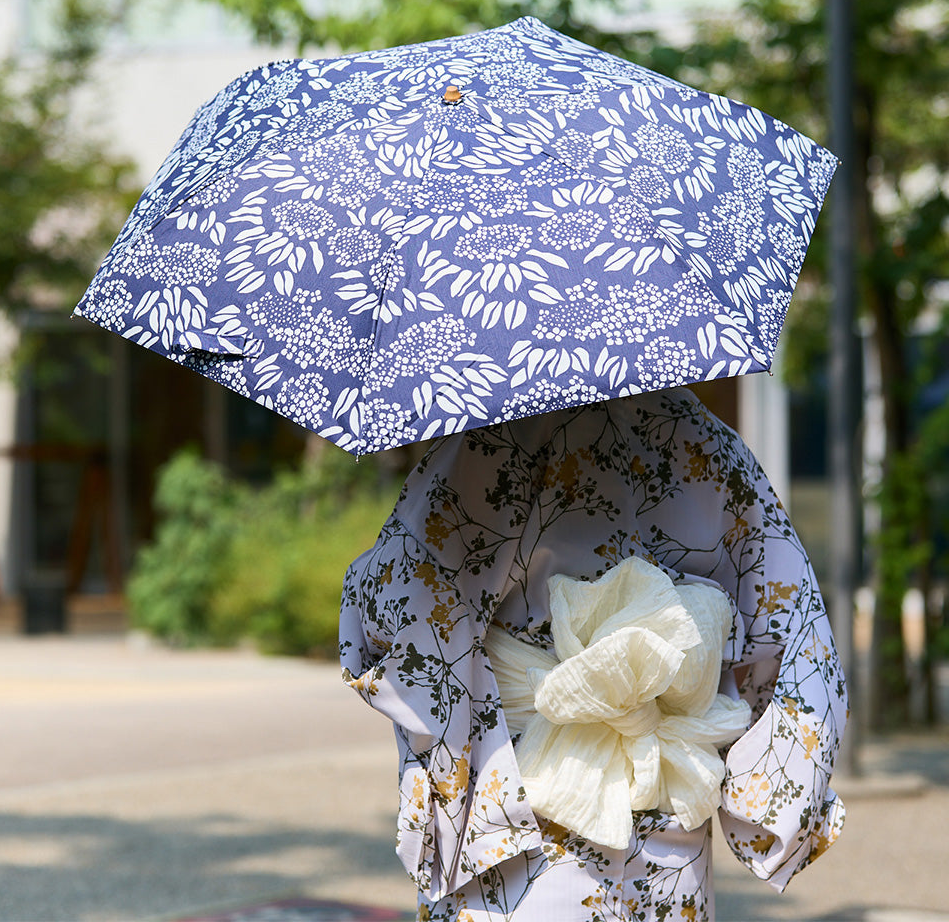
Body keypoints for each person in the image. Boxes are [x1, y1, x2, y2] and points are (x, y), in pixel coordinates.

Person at [340, 386, 847, 921]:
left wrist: (450, 771)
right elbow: (790, 629)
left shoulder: (482, 448)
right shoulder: (708, 445)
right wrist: (759, 787)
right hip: (669, 811)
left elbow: (394, 610)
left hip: (525, 820)